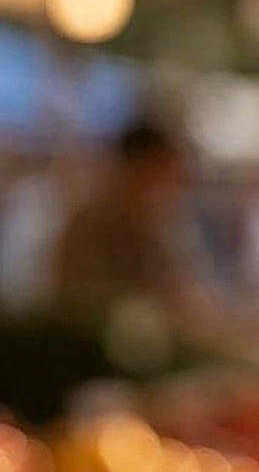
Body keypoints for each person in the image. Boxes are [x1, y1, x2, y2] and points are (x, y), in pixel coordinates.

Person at [48, 119, 213, 326]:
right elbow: (81, 307)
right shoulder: (89, 229)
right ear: (131, 169)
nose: (169, 190)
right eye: (160, 175)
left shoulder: (160, 230)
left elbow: (186, 295)